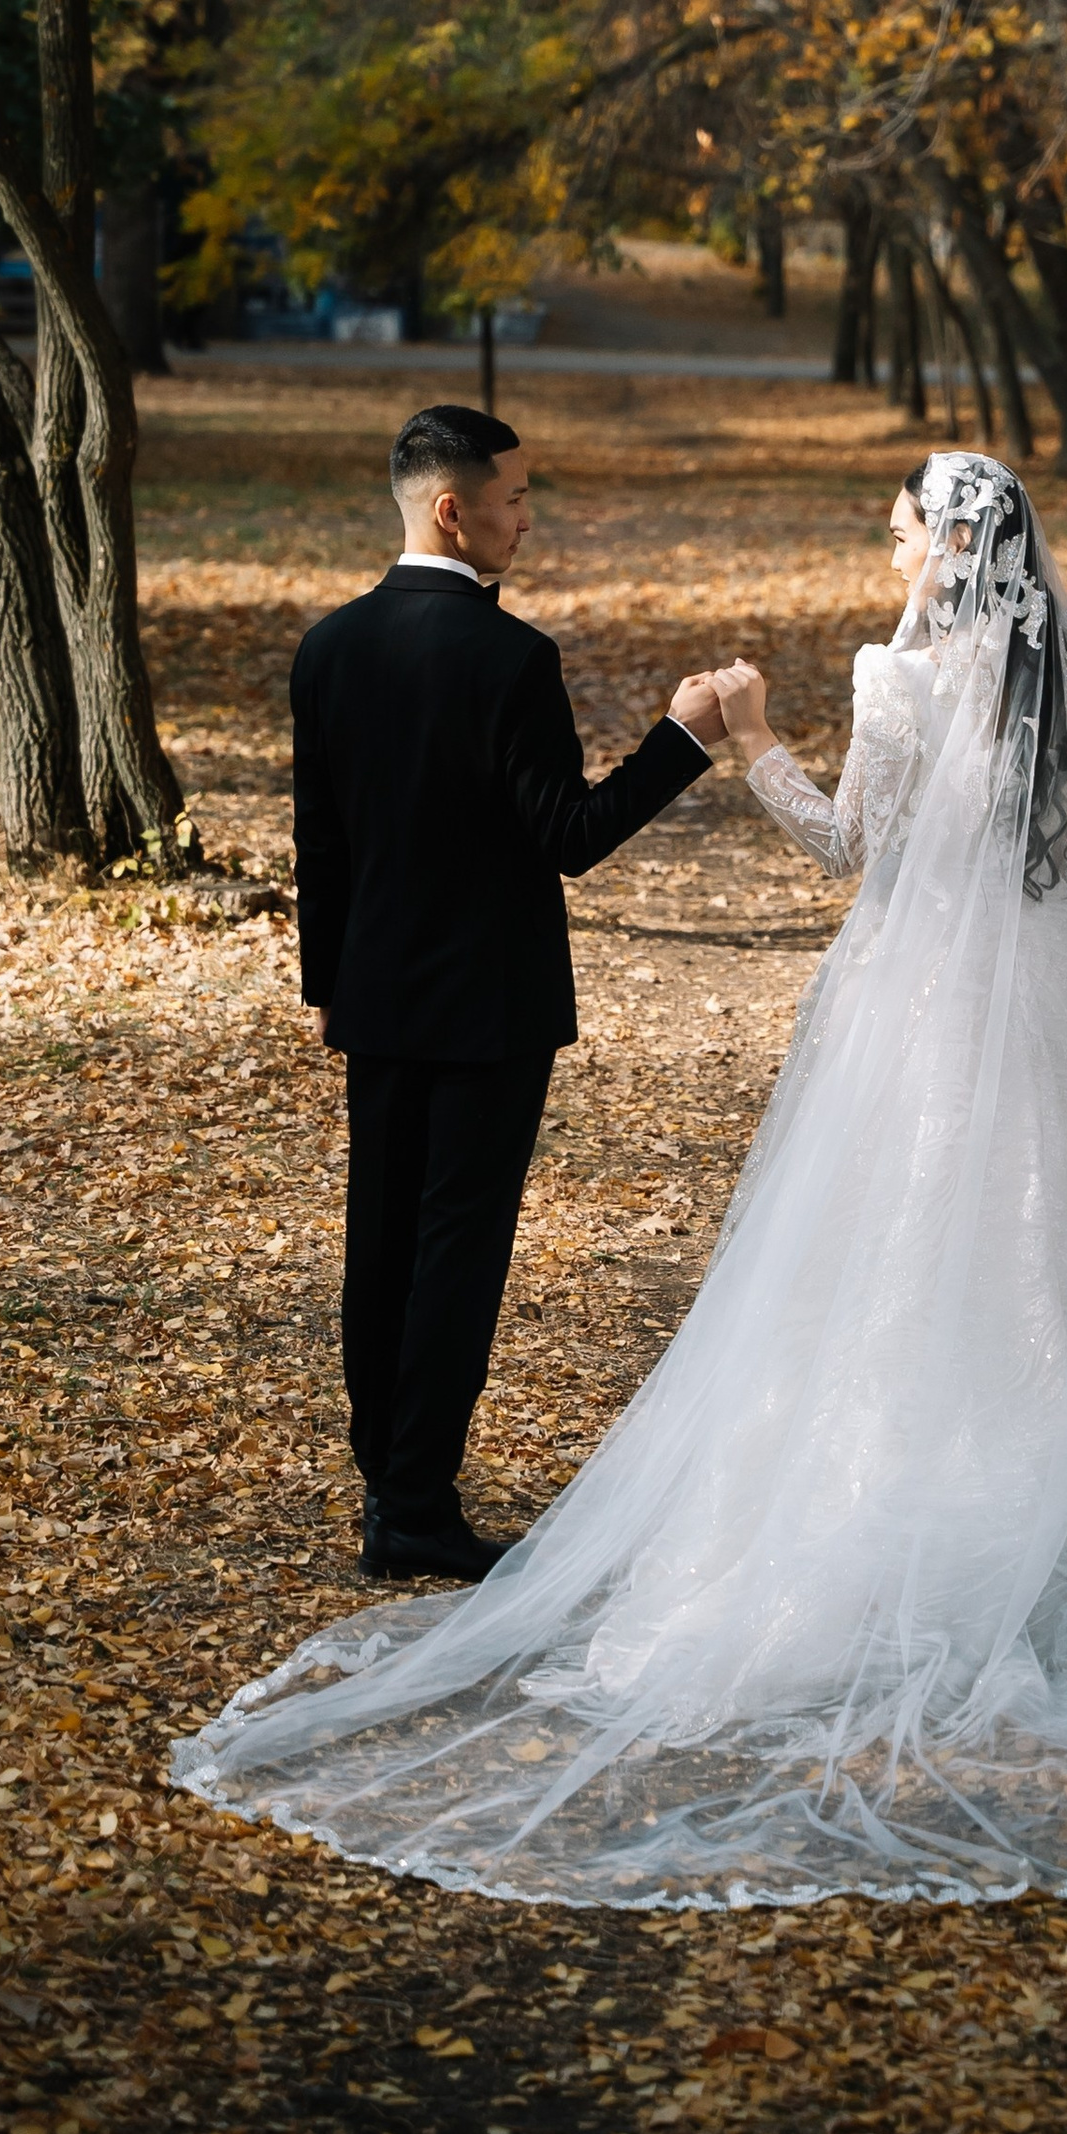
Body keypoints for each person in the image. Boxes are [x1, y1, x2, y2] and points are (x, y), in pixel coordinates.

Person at [179, 448, 1067, 1904]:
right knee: (1024, 1243)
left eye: (901, 519)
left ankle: (867, 1497)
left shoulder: (903, 676)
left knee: (897, 1242)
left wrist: (746, 736)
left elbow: (851, 842)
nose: (889, 536)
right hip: (1051, 1002)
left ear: (949, 542)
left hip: (920, 998)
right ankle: (1046, 1498)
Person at [290, 403, 726, 1584]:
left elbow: (317, 842)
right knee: (455, 1249)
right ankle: (415, 1503)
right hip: (487, 1008)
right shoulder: (509, 657)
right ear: (453, 506)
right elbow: (569, 836)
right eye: (518, 498)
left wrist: (324, 979)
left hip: (375, 995)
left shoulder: (327, 648)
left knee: (378, 1239)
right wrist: (680, 739)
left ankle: (391, 1476)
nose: (528, 518)